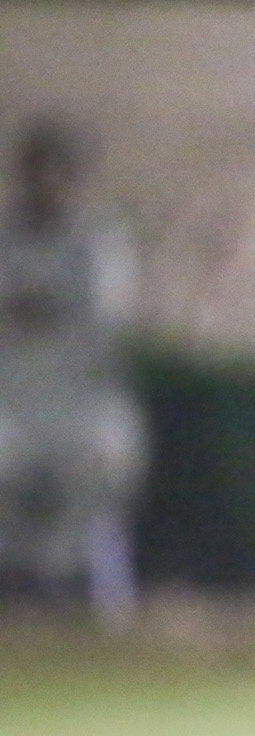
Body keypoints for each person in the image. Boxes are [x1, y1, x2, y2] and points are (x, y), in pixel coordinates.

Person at [0, 117, 143, 624]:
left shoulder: (100, 241)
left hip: (81, 399)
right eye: (40, 171)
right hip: (11, 397)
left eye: (61, 172)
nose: (49, 184)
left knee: (107, 454)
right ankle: (20, 580)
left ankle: (81, 585)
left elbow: (109, 318)